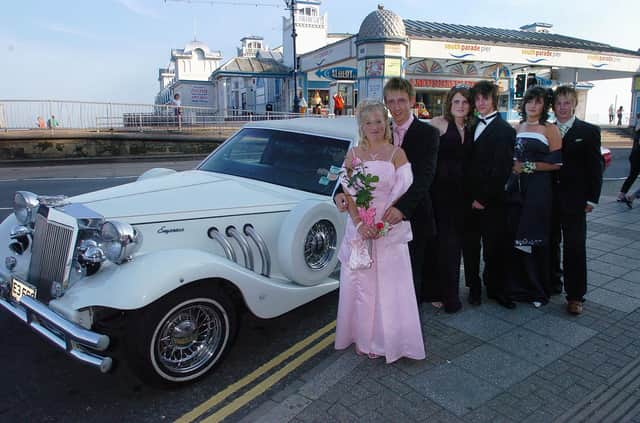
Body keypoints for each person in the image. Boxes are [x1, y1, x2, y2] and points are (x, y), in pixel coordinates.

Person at [334, 99, 425, 363]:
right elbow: (346, 192)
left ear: (386, 124)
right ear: (361, 126)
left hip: (387, 227)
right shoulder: (353, 154)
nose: (374, 126)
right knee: (360, 286)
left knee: (390, 287)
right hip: (359, 228)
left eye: (379, 121)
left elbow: (403, 192)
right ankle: (362, 338)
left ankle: (388, 341)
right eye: (368, 122)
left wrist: (383, 223)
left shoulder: (397, 154)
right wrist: (361, 223)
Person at [334, 77, 440, 304]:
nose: (397, 107)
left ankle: (400, 333)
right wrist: (339, 193)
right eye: (391, 101)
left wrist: (401, 209)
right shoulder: (376, 125)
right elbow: (353, 167)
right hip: (370, 221)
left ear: (412, 101)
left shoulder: (428, 133)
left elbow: (424, 178)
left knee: (408, 284)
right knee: (374, 285)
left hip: (410, 217)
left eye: (401, 100)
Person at [505, 86, 562, 307]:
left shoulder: (550, 129)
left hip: (538, 190)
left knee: (536, 238)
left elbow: (556, 163)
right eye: (529, 101)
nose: (532, 106)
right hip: (516, 190)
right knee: (517, 238)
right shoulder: (518, 126)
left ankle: (539, 291)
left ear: (544, 106)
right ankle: (520, 288)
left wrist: (527, 166)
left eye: (538, 102)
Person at [549, 85, 602, 315]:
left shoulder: (589, 131)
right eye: (559, 103)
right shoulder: (546, 129)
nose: (563, 107)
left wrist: (592, 199)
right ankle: (552, 284)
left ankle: (575, 296)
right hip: (549, 199)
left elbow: (595, 168)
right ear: (553, 106)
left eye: (567, 103)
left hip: (575, 200)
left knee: (575, 248)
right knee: (550, 245)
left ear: (574, 105)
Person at [463, 80, 516, 308]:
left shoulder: (505, 131)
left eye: (485, 98)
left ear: (494, 99)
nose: (481, 102)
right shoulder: (470, 125)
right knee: (471, 248)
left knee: (494, 249)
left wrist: (482, 199)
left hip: (492, 202)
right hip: (467, 200)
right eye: (477, 98)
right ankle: (474, 289)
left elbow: (501, 170)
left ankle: (496, 289)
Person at [425, 86, 474, 313]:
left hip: (463, 195)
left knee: (454, 247)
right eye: (456, 102)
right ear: (449, 104)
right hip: (440, 194)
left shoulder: (472, 127)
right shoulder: (438, 123)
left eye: (464, 102)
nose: (461, 106)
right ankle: (442, 294)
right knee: (443, 245)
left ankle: (447, 292)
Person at [617, 112, 640, 207]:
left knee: (632, 176)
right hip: (638, 155)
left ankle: (622, 195)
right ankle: (632, 197)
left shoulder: (637, 127)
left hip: (634, 155)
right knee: (632, 176)